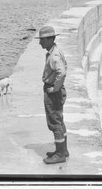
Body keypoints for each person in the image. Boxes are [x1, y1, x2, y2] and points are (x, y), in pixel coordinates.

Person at [35, 25, 69, 164]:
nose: (40, 42)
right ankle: (63, 150)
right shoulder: (55, 51)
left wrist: (55, 88)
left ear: (50, 39)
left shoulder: (53, 56)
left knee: (55, 122)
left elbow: (62, 72)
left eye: (42, 40)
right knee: (59, 120)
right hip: (56, 90)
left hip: (53, 91)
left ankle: (60, 154)